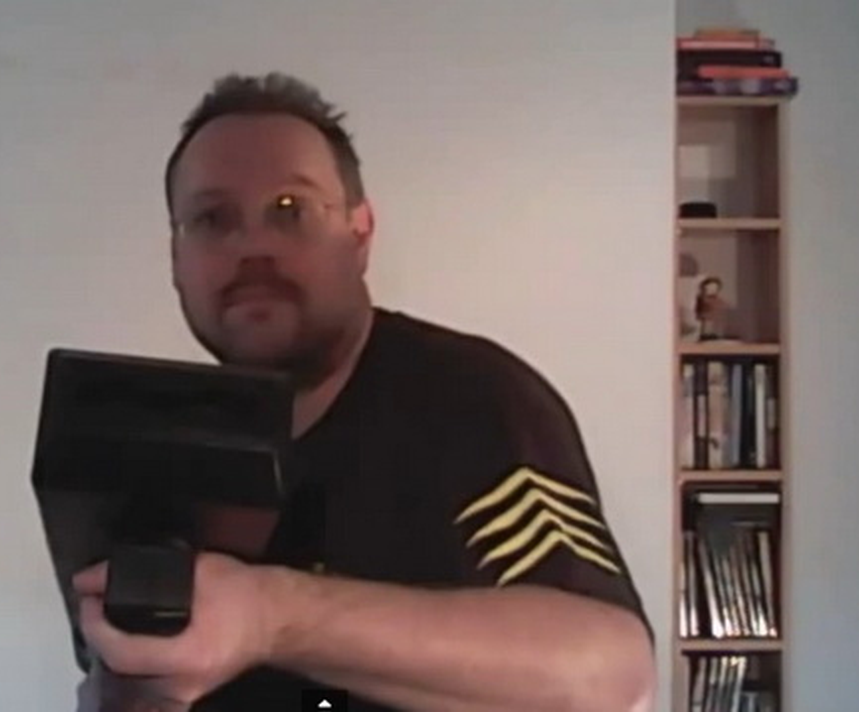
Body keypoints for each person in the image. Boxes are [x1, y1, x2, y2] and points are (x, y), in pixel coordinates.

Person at [71, 72, 656, 712]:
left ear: (360, 235)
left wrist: (271, 613)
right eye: (213, 219)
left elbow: (613, 678)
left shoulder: (471, 400)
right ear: (176, 261)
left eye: (290, 209)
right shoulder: (175, 445)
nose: (253, 248)